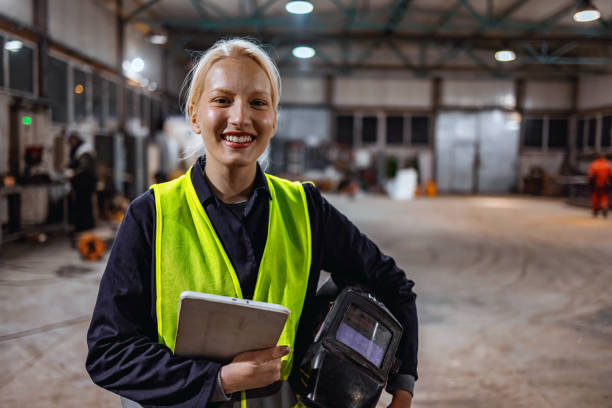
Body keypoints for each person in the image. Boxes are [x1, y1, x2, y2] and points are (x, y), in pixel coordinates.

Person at [86, 38, 418, 408]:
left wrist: (402, 389)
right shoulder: (152, 215)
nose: (240, 117)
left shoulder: (306, 210)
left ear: (273, 119)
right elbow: (108, 353)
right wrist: (218, 379)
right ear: (195, 114)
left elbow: (395, 286)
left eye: (258, 102)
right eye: (222, 100)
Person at [66, 132, 97, 232]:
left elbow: (84, 167)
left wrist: (73, 173)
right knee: (84, 205)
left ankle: (84, 226)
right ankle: (85, 225)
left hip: (84, 183)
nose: (70, 144)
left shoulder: (83, 150)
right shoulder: (80, 149)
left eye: (71, 141)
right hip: (83, 183)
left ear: (75, 139)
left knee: (83, 205)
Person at [587, 153, 612, 218]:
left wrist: (590, 185)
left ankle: (595, 210)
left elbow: (591, 176)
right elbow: (611, 175)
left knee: (595, 197)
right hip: (605, 184)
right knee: (605, 197)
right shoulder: (607, 165)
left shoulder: (594, 165)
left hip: (596, 185)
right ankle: (604, 207)